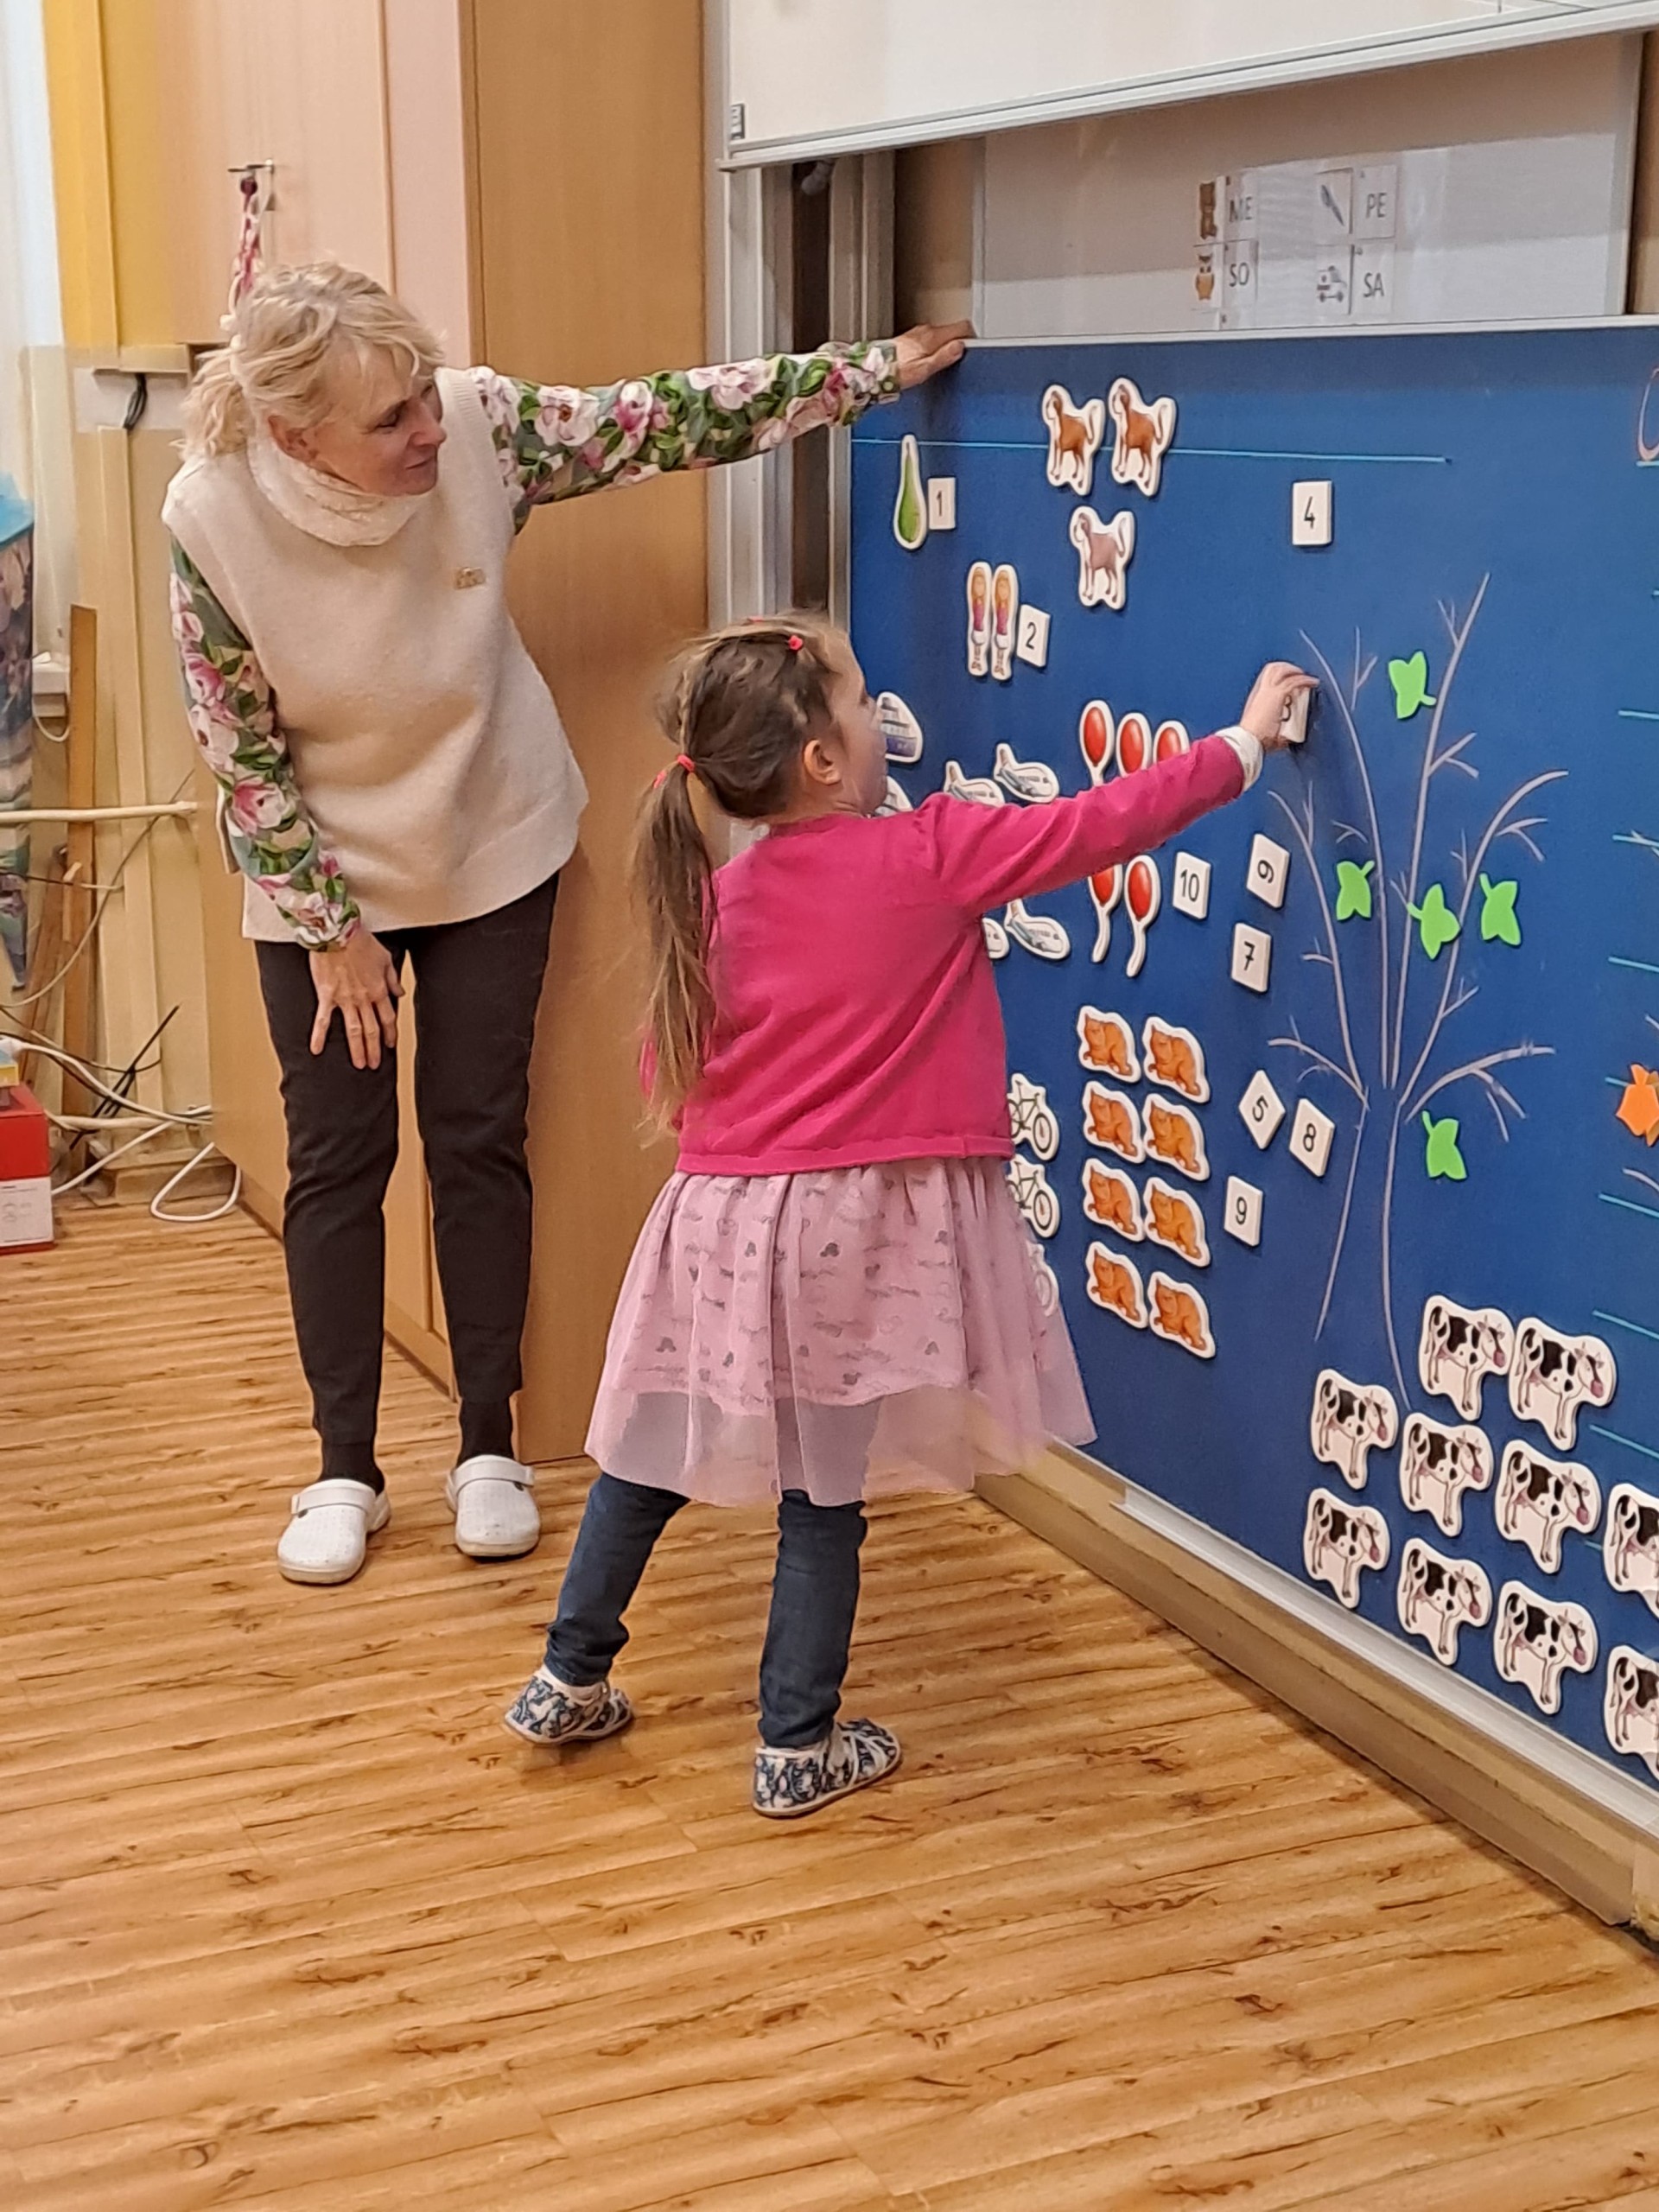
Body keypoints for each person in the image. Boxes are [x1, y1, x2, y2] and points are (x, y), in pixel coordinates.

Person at [162, 260, 970, 1586]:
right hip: (322, 876)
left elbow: (668, 418)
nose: (428, 428)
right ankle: (343, 1469)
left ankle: (489, 1447)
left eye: (425, 394)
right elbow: (240, 750)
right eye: (391, 419)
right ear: (299, 439)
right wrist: (331, 930)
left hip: (494, 838)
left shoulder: (478, 426)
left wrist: (868, 373)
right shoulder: (215, 515)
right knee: (338, 1159)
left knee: (478, 1138)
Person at [505, 617, 1314, 1816]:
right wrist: (1241, 748)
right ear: (823, 759)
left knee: (644, 1454)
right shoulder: (928, 852)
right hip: (853, 1239)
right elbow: (1094, 826)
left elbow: (668, 1071)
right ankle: (795, 1745)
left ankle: (566, 1677)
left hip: (719, 1232)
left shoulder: (712, 897)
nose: (880, 714)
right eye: (862, 699)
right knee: (823, 1497)